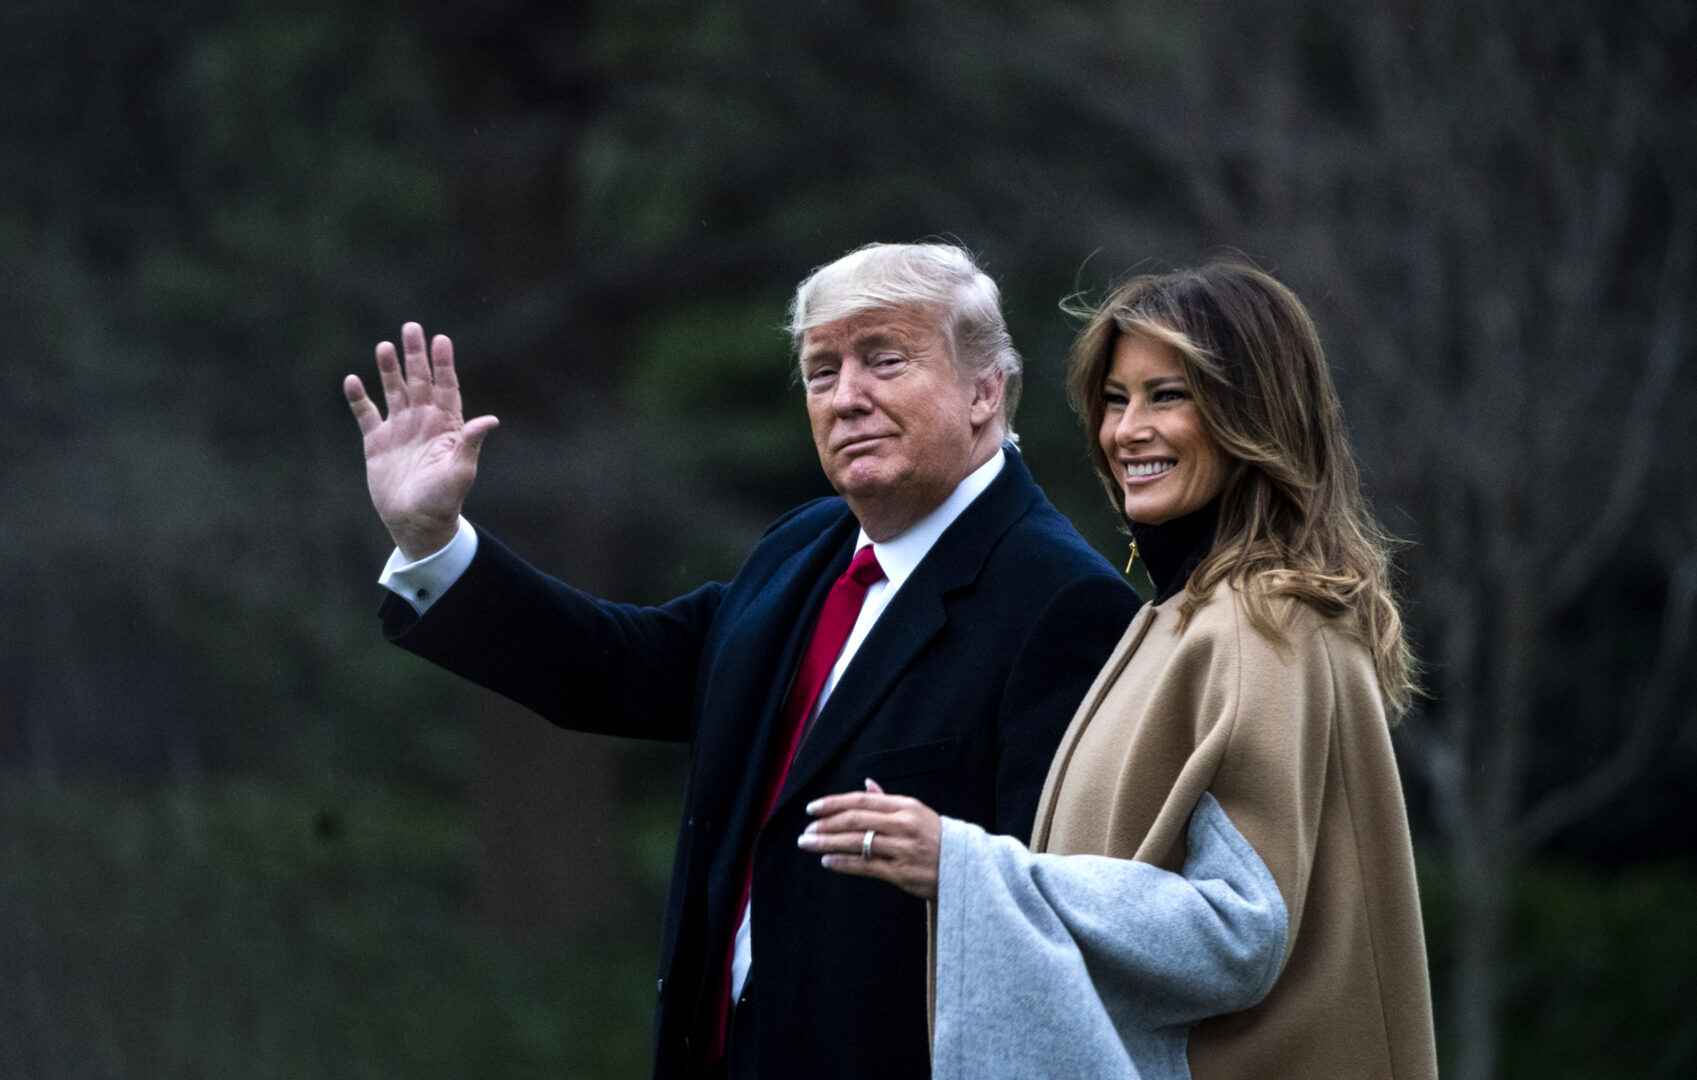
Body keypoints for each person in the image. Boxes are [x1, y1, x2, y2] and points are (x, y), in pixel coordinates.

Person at [341, 242, 1139, 1080]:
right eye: (821, 371)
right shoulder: (804, 547)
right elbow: (617, 669)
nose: (846, 397)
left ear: (985, 390)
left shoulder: (1063, 604)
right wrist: (430, 541)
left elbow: (1060, 923)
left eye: (884, 360)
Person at [804, 261, 1439, 1079]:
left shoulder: (1259, 628)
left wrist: (962, 867)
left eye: (1165, 395)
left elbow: (1236, 936)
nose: (1126, 430)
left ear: (1250, 415)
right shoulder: (1183, 617)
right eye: (1115, 399)